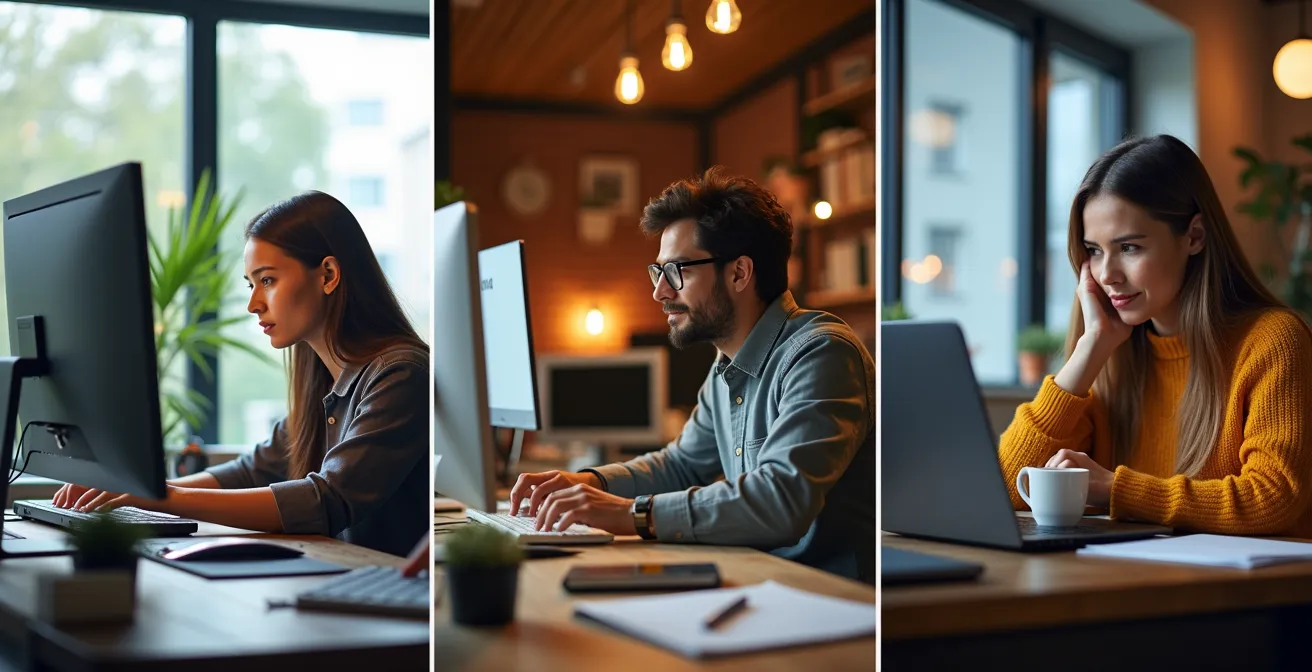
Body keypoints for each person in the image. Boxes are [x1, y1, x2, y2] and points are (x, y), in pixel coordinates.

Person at [509, 168, 876, 584]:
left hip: (829, 600)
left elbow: (779, 501)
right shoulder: (725, 367)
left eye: (677, 271)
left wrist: (628, 513)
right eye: (658, 272)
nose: (660, 292)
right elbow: (682, 465)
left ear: (739, 273)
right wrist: (586, 482)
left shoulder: (820, 353)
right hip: (761, 582)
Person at [52, 192, 430, 558]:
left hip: (394, 601)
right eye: (251, 284)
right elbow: (253, 471)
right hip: (350, 583)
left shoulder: (400, 374)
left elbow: (328, 499)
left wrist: (160, 497)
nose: (253, 304)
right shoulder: (322, 379)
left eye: (267, 281)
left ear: (328, 274)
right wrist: (137, 491)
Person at [999, 134, 1312, 536]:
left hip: (1247, 594)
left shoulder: (1273, 341)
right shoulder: (1111, 357)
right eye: (1093, 250)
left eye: (1128, 247)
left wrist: (1117, 489)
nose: (1106, 274)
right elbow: (1011, 485)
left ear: (1194, 236)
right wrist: (1089, 350)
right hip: (1141, 583)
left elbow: (1272, 498)